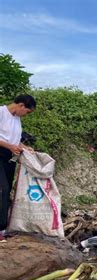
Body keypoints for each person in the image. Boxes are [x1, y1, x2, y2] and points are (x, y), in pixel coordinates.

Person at [0, 94, 36, 241]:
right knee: (2, 189)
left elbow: (15, 140)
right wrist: (10, 146)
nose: (26, 115)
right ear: (21, 105)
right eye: (27, 112)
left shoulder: (17, 119)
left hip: (10, 158)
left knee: (7, 189)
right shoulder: (1, 113)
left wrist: (25, 147)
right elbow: (8, 142)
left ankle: (3, 228)